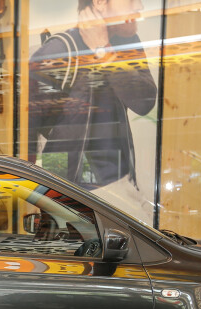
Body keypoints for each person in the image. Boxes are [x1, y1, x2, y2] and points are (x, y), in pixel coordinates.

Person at [28, 0, 156, 194]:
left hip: (117, 186)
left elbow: (144, 101)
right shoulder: (60, 49)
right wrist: (51, 194)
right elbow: (28, 131)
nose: (139, 6)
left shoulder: (126, 45)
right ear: (100, 3)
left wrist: (104, 51)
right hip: (72, 191)